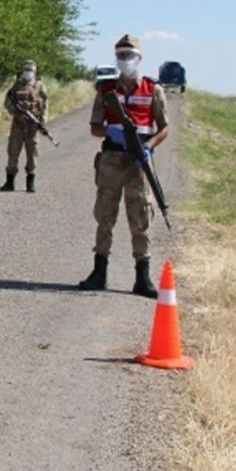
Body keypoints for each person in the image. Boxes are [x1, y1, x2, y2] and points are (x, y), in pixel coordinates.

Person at [78, 34, 169, 297]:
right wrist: (111, 132)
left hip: (138, 162)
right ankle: (99, 272)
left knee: (140, 216)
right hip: (111, 161)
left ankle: (142, 277)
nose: (125, 60)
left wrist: (149, 146)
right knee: (105, 214)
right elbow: (95, 127)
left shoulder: (153, 90)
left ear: (139, 58)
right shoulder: (106, 90)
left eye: (130, 55)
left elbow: (164, 128)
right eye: (121, 55)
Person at [0, 59, 48, 193]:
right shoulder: (16, 86)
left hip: (32, 127)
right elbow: (7, 102)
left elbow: (44, 106)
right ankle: (9, 182)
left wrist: (42, 122)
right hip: (17, 126)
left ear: (35, 71)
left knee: (32, 154)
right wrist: (16, 113)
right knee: (12, 153)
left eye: (30, 70)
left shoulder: (40, 86)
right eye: (26, 70)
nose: (28, 72)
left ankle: (30, 183)